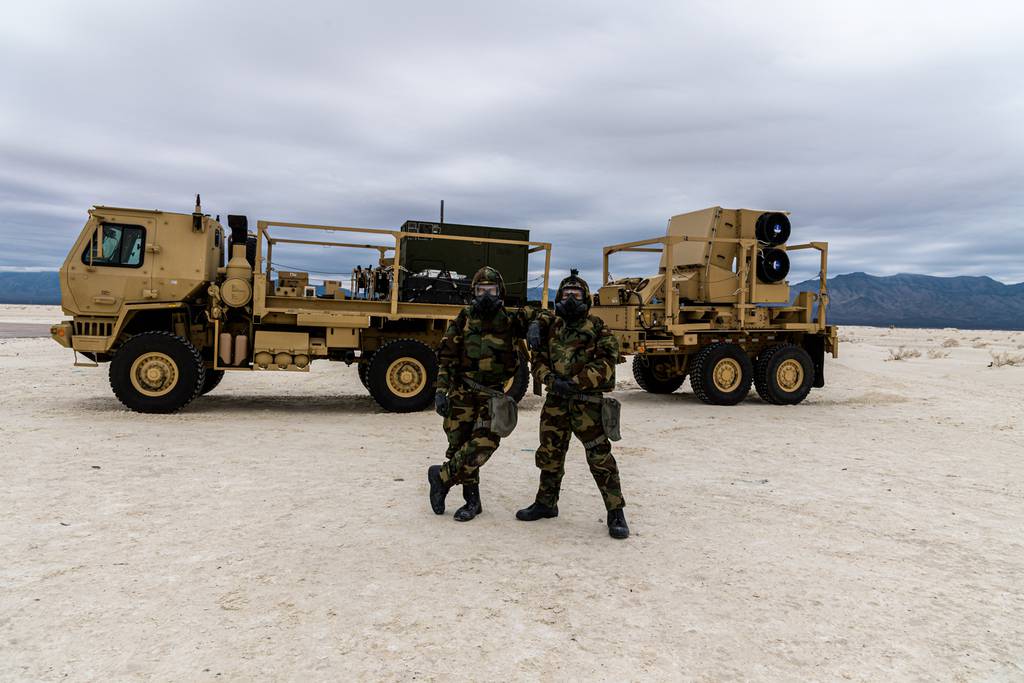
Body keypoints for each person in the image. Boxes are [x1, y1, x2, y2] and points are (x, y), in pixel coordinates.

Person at [516, 269, 629, 539]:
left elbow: (606, 364)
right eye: (565, 294)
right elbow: (539, 359)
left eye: (576, 295)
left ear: (586, 299)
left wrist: (577, 381)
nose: (570, 299)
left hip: (587, 404)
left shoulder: (598, 328)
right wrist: (551, 380)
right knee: (550, 454)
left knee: (600, 458)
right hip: (556, 401)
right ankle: (546, 503)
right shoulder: (552, 327)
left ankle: (616, 512)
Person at [427, 266, 545, 521]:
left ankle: (441, 477)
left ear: (500, 292)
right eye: (481, 290)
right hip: (462, 392)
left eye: (491, 290)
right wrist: (440, 391)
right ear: (474, 292)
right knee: (459, 446)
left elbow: (540, 312)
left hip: (493, 396)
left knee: (484, 444)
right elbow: (447, 357)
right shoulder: (464, 318)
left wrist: (535, 323)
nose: (487, 296)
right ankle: (472, 502)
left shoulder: (511, 320)